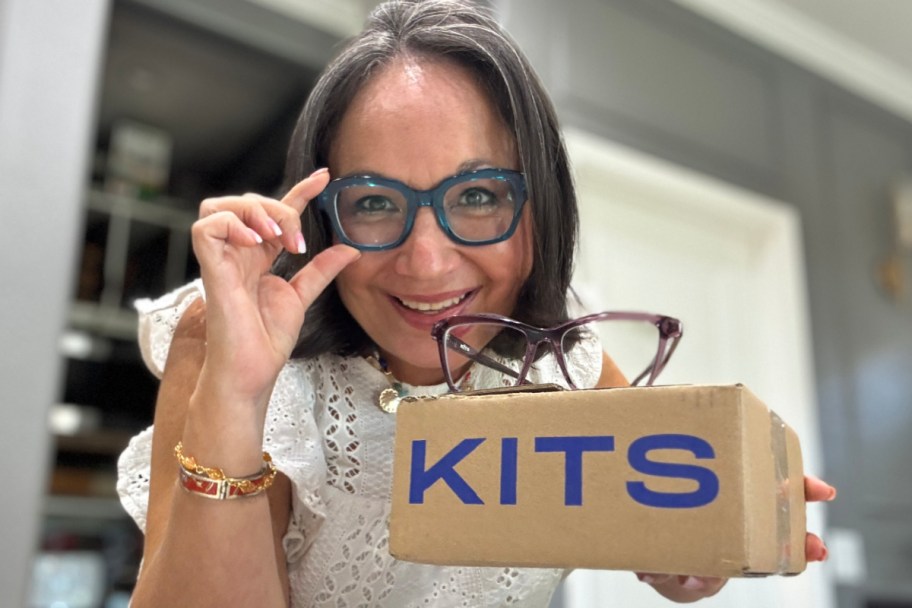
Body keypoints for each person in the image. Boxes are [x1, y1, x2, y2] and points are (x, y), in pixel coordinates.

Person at [116, 0, 835, 606]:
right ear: (324, 213)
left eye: (479, 195)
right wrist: (239, 397)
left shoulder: (568, 359)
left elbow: (664, 549)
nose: (426, 262)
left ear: (542, 207)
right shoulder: (221, 341)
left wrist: (696, 542)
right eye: (373, 202)